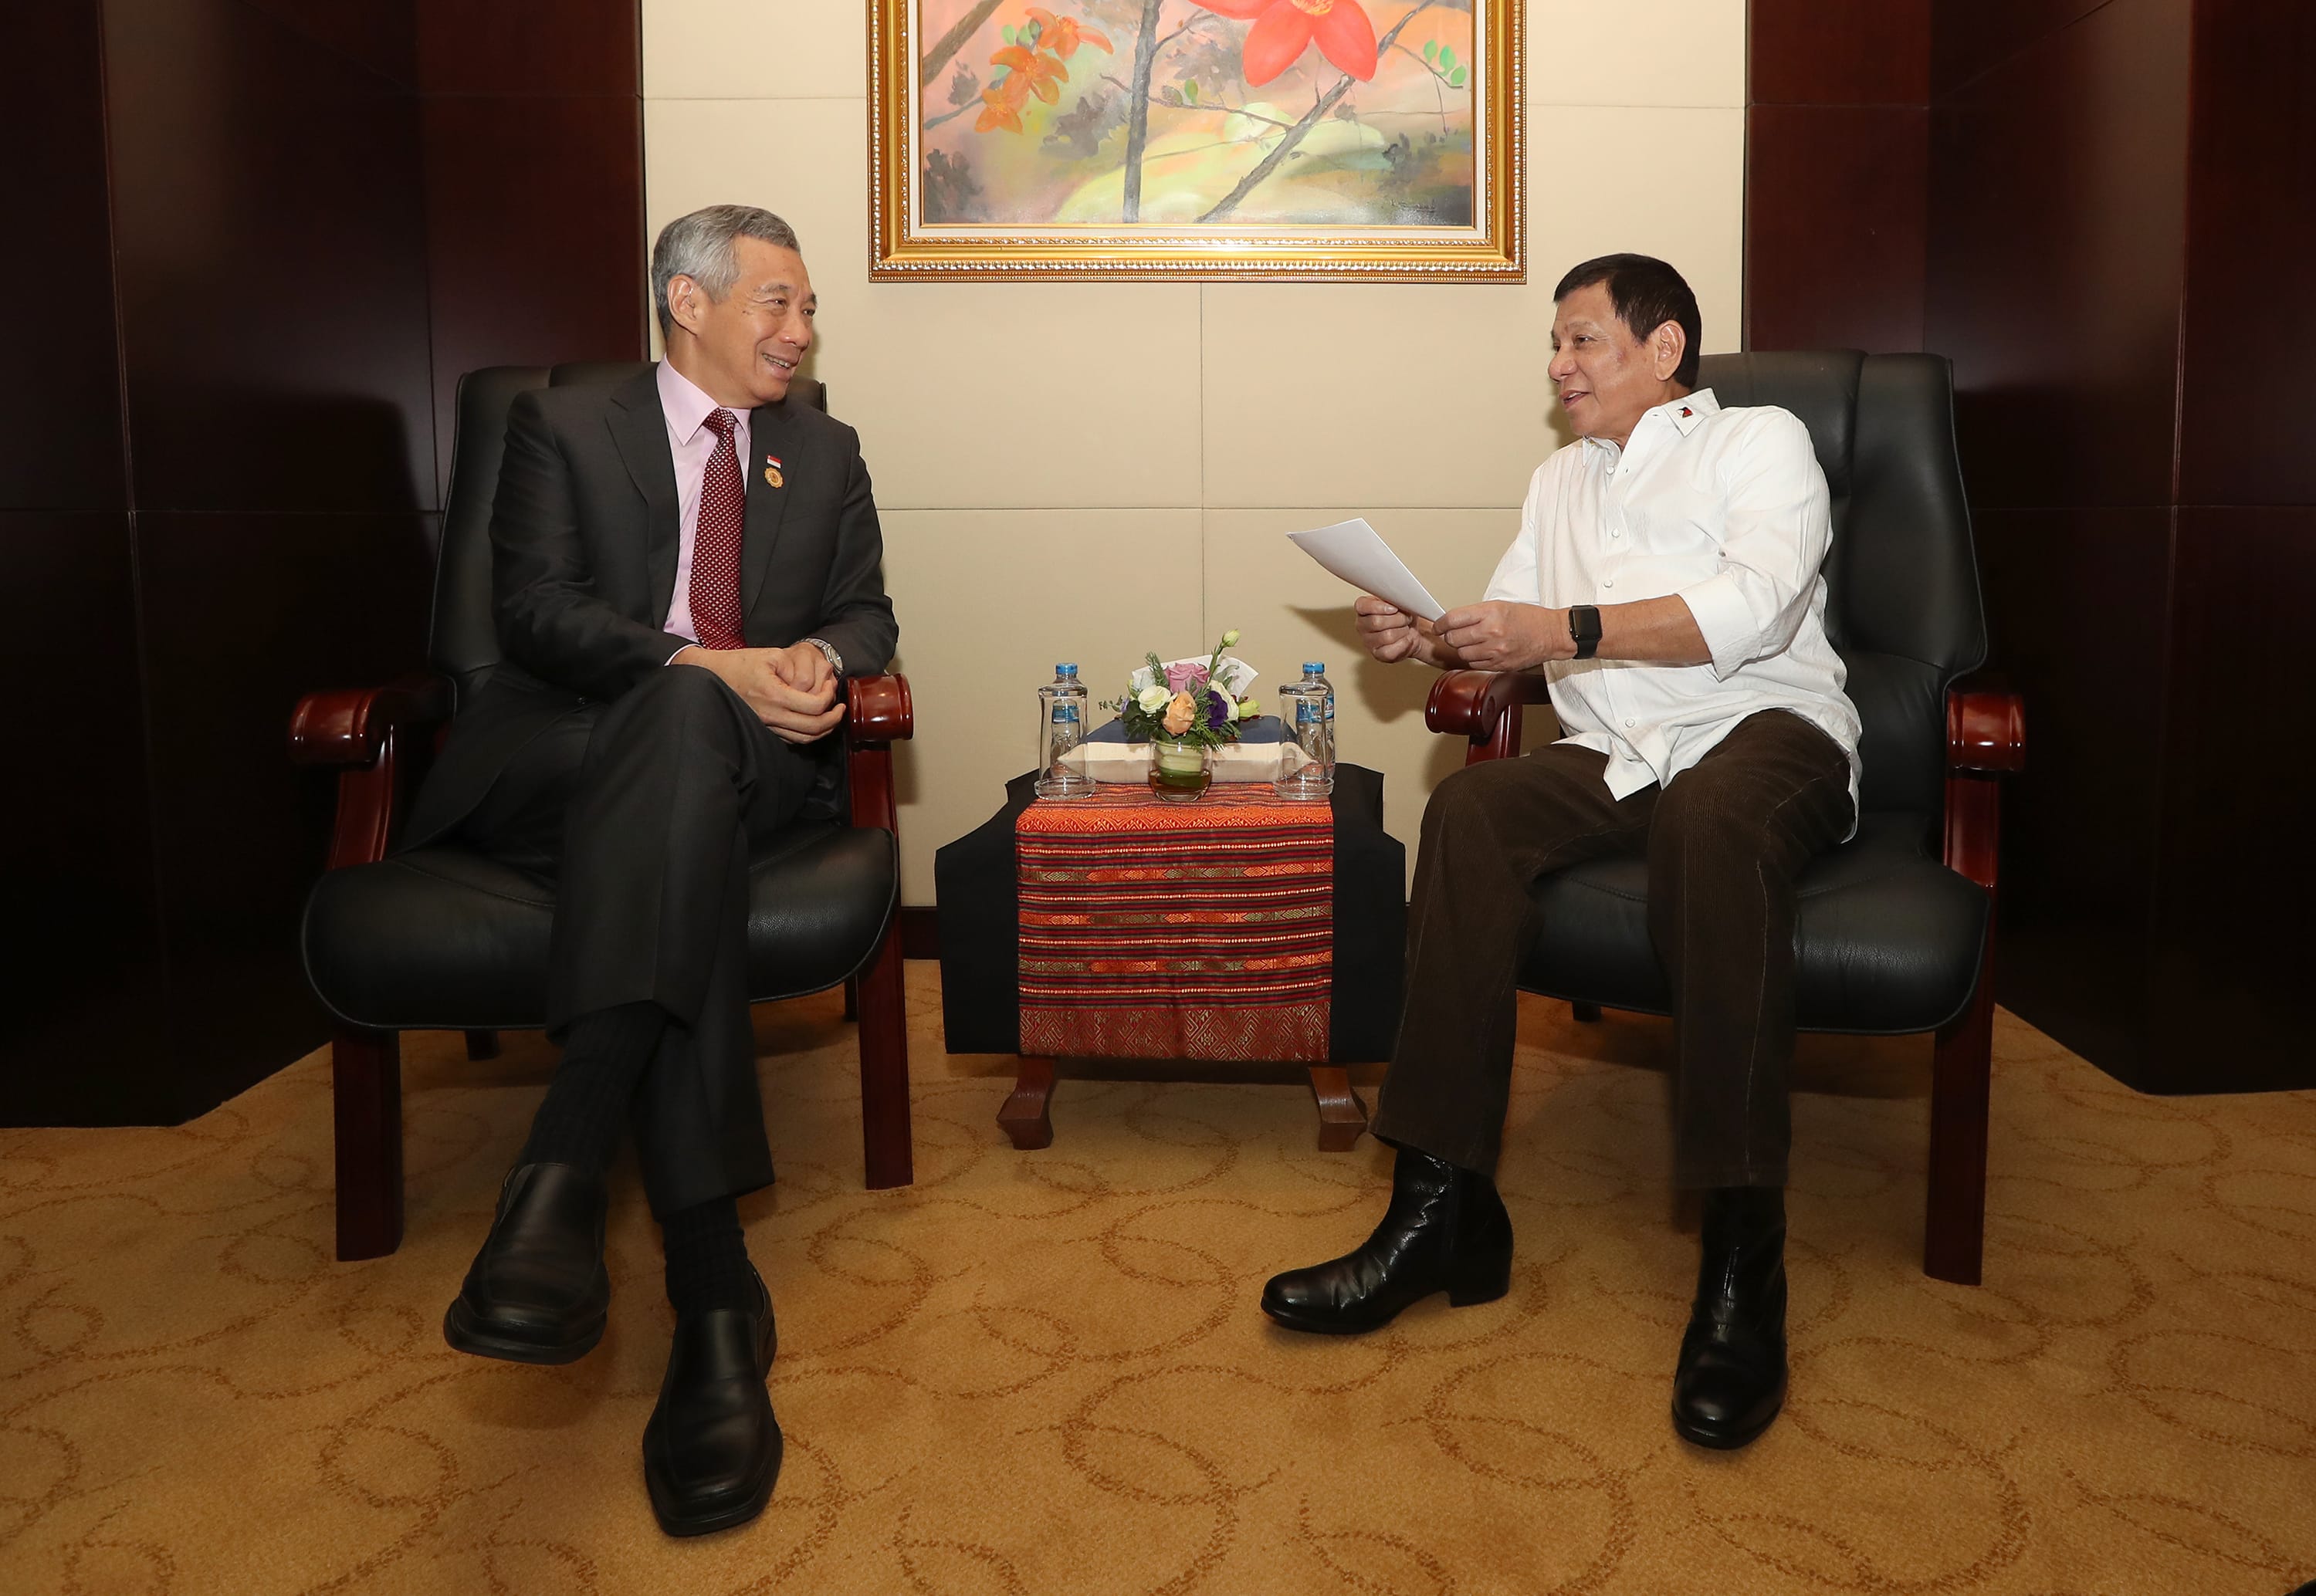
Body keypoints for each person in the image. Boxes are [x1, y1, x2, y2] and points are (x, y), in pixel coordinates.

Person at [1260, 254, 1861, 1452]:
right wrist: (1427, 637)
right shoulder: (1560, 481)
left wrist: (1566, 628)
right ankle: (1441, 1208)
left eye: (1582, 339)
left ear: (1664, 347)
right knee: (1470, 813)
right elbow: (1509, 635)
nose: (1559, 365)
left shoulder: (1760, 443)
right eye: (1556, 343)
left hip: (1765, 730)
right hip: (1623, 750)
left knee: (1712, 820)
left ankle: (1744, 1256)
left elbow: (1754, 610)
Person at [399, 205, 896, 1533]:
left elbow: (866, 611)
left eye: (808, 309)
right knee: (682, 728)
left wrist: (817, 662)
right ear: (689, 301)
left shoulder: (825, 450)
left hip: (744, 769)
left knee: (689, 759)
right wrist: (703, 668)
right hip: (560, 758)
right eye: (779, 303)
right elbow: (534, 613)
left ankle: (562, 1175)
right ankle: (716, 1291)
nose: (801, 332)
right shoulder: (563, 426)